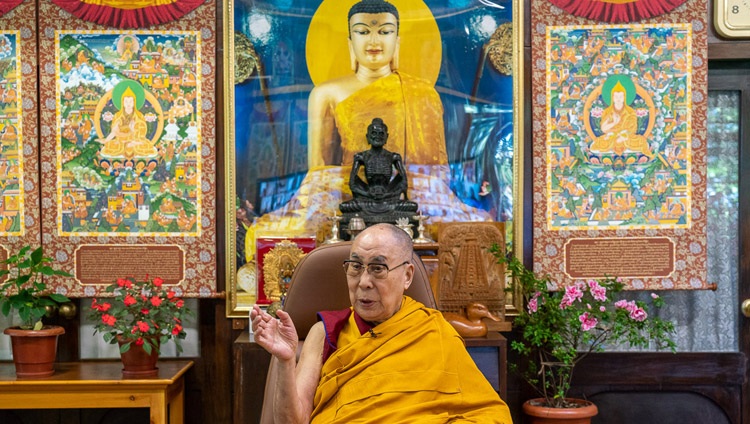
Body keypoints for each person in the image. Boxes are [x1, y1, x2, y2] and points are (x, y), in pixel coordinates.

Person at [251, 223, 513, 423]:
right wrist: (286, 360)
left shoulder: (433, 330)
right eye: (355, 267)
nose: (363, 281)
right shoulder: (325, 332)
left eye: (378, 268)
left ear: (407, 276)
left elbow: (486, 412)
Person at [307, 0, 447, 168]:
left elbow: (434, 173)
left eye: (385, 31)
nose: (374, 41)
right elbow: (318, 171)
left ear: (397, 41)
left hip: (407, 190)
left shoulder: (423, 93)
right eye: (362, 31)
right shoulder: (325, 94)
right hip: (351, 191)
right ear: (350, 42)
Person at [339, 117, 417, 214]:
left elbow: (403, 183)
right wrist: (367, 194)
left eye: (381, 134)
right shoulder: (361, 157)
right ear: (367, 136)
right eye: (374, 133)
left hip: (389, 198)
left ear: (386, 137)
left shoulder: (394, 157)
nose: (377, 137)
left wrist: (388, 195)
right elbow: (353, 184)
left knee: (411, 206)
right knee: (345, 207)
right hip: (367, 199)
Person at [590, 75, 653, 159]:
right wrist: (614, 123)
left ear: (624, 97)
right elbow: (603, 129)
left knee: (641, 141)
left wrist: (623, 135)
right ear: (612, 98)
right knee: (598, 143)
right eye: (616, 96)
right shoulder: (607, 111)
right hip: (611, 137)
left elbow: (633, 129)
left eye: (621, 96)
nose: (618, 99)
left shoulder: (630, 112)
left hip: (626, 137)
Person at [98, 80, 158, 160]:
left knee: (147, 145)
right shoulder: (117, 116)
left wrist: (134, 137)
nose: (128, 104)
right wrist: (106, 140)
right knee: (111, 146)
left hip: (135, 142)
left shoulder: (139, 116)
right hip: (121, 142)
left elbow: (142, 134)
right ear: (122, 103)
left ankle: (131, 146)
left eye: (131, 101)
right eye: (126, 101)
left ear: (134, 102)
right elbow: (114, 132)